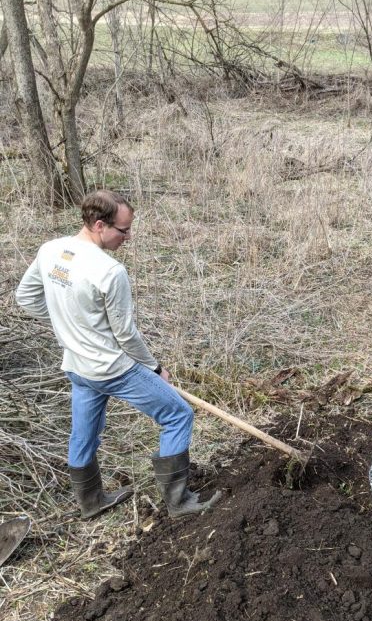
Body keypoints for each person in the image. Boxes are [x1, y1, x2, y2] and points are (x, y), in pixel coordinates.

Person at [15, 189, 221, 519]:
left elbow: (25, 297)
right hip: (112, 369)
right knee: (178, 414)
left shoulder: (51, 250)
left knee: (83, 433)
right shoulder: (110, 272)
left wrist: (70, 326)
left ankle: (91, 502)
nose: (129, 236)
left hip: (77, 367)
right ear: (99, 225)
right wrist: (154, 368)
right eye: (123, 231)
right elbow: (126, 334)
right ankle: (180, 503)